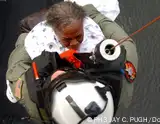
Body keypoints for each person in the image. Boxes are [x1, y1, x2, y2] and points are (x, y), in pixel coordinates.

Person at [5, 1, 138, 123]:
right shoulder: (120, 91)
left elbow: (15, 73)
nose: (74, 44)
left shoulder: (35, 106)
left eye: (79, 37)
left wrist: (24, 39)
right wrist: (91, 12)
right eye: (68, 40)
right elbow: (127, 45)